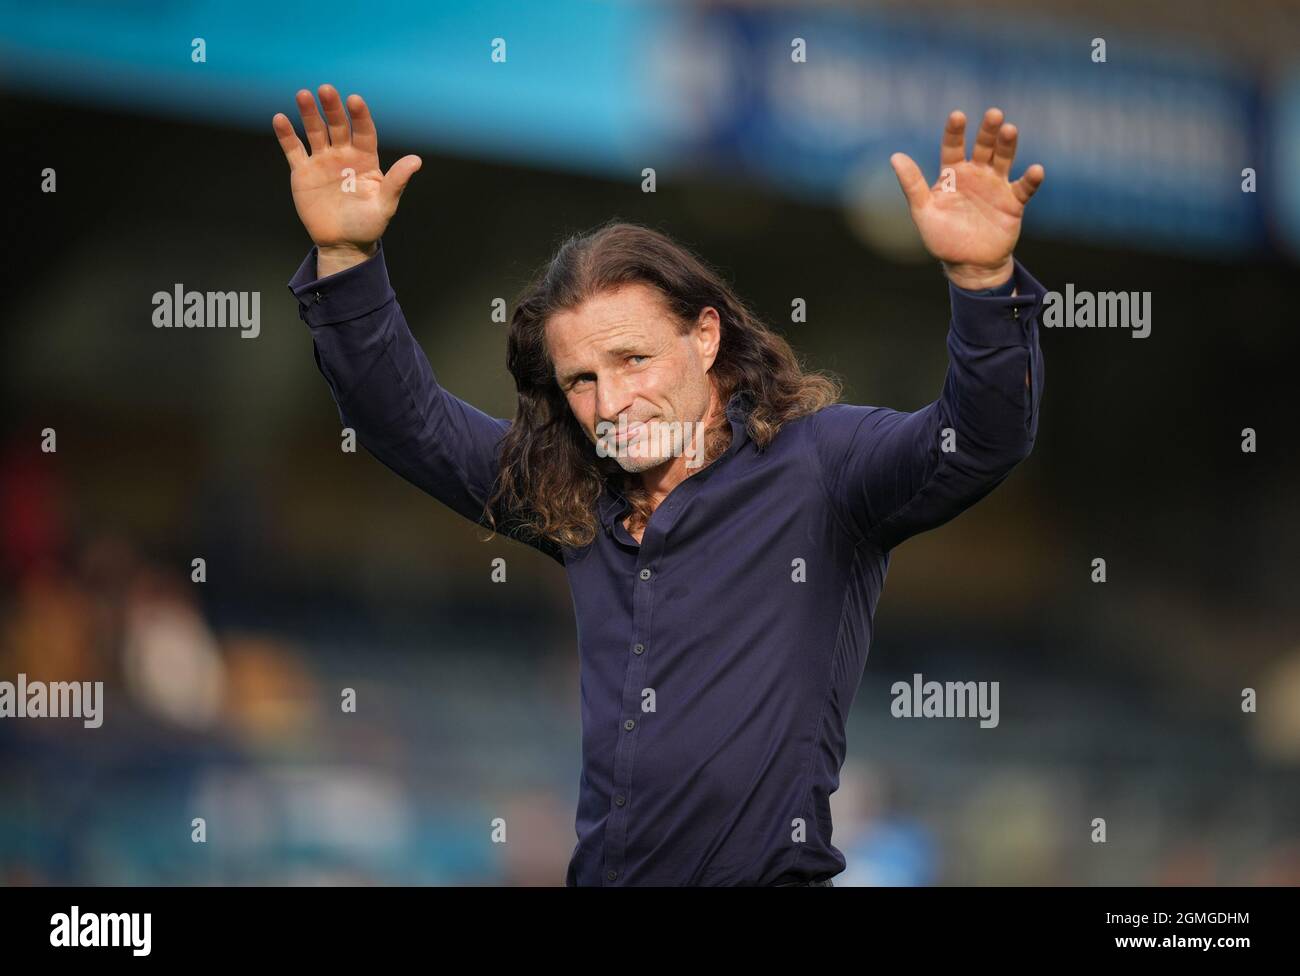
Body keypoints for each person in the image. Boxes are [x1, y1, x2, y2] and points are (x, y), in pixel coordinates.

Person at [273, 84, 1046, 886]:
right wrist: (347, 260)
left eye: (633, 359)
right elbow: (408, 422)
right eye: (579, 379)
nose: (609, 403)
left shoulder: (825, 465)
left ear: (705, 336)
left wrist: (986, 284)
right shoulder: (573, 494)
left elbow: (981, 440)